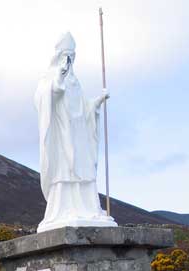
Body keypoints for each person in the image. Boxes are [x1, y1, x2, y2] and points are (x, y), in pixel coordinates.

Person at [34, 32, 116, 232]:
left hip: (79, 133)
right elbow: (42, 99)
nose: (69, 60)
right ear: (59, 55)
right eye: (66, 55)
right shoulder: (50, 77)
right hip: (62, 135)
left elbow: (82, 108)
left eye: (72, 55)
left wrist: (96, 102)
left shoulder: (75, 81)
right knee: (65, 170)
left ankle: (88, 208)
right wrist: (57, 81)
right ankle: (64, 209)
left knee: (84, 167)